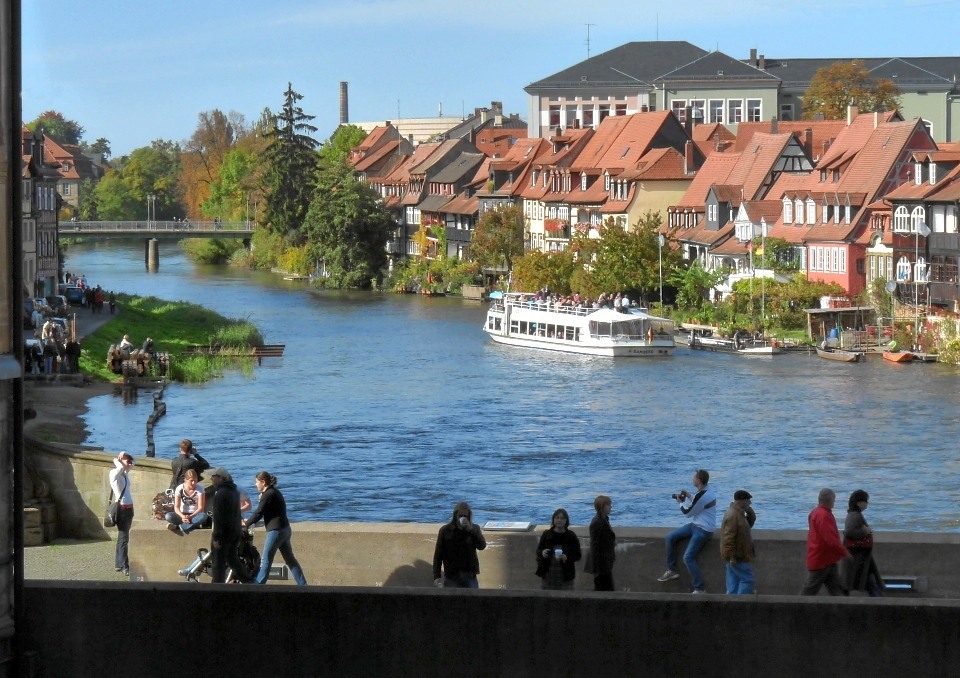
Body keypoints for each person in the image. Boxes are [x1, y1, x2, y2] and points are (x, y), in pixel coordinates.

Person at [243, 471, 308, 585]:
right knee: (290, 560)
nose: (255, 484)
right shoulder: (274, 492)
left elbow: (259, 513)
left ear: (263, 482)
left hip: (276, 531)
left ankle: (257, 586)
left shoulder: (268, 494)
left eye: (257, 482)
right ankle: (303, 586)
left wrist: (246, 524)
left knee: (266, 560)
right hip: (285, 529)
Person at [658, 469, 717, 593]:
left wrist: (680, 503)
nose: (692, 479)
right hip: (696, 524)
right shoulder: (707, 490)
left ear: (699, 480)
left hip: (703, 530)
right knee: (670, 537)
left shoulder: (704, 496)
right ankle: (672, 570)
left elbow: (688, 512)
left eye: (694, 477)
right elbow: (698, 502)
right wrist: (689, 496)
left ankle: (700, 588)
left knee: (688, 557)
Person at [800, 488, 849, 596]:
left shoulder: (815, 513)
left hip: (825, 559)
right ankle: (795, 610)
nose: (834, 502)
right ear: (829, 500)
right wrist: (844, 552)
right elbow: (830, 539)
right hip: (822, 560)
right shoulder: (824, 516)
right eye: (834, 500)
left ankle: (843, 610)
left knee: (836, 589)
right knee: (809, 591)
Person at [208, 467, 253, 583]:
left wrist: (216, 537)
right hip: (235, 532)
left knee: (218, 565)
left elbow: (218, 517)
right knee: (233, 560)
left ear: (220, 478)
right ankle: (249, 582)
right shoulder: (234, 491)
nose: (211, 480)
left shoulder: (221, 493)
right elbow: (237, 512)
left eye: (213, 477)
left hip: (223, 535)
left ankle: (217, 589)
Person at [432, 501, 486, 588]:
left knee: (473, 600)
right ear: (455, 516)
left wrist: (470, 531)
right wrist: (437, 576)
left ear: (469, 517)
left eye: (465, 516)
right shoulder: (446, 530)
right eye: (460, 516)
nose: (463, 518)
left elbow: (482, 546)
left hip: (470, 575)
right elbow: (438, 554)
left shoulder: (474, 529)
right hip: (451, 575)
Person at [841, 489, 884, 597]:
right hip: (859, 556)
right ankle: (880, 605)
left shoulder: (852, 514)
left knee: (868, 581)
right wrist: (865, 531)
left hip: (860, 556)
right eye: (865, 501)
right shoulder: (855, 516)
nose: (867, 504)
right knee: (870, 582)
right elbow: (849, 531)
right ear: (859, 502)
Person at [720, 489, 757, 595]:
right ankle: (739, 604)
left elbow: (750, 523)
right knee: (748, 580)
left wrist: (749, 510)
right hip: (736, 557)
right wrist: (731, 556)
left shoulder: (739, 514)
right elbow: (728, 539)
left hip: (735, 556)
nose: (750, 503)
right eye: (748, 501)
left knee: (733, 586)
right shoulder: (733, 516)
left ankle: (730, 606)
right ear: (741, 501)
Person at [535, 508, 582, 590]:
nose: (559, 520)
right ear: (553, 519)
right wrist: (542, 552)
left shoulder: (571, 536)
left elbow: (578, 555)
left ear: (566, 521)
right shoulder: (546, 534)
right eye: (557, 517)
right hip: (548, 573)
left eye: (562, 518)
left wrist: (567, 558)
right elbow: (538, 551)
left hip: (566, 574)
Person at [109, 452, 135, 576]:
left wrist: (127, 457)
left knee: (122, 537)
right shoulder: (114, 473)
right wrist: (118, 458)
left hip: (129, 509)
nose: (129, 463)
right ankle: (125, 566)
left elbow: (134, 462)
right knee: (124, 538)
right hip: (122, 509)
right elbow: (119, 467)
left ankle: (118, 564)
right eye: (126, 461)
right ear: (120, 461)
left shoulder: (124, 475)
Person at [165, 469, 208, 534]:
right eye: (191, 481)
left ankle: (180, 527)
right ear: (185, 480)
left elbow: (201, 508)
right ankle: (191, 525)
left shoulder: (200, 489)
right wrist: (182, 516)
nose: (193, 483)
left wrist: (191, 516)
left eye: (195, 481)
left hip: (194, 515)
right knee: (168, 516)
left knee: (203, 516)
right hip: (182, 515)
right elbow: (176, 507)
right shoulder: (180, 488)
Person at [588, 495, 616, 591]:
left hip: (605, 562)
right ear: (602, 507)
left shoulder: (604, 519)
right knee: (604, 588)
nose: (610, 507)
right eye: (608, 505)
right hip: (601, 564)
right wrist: (595, 568)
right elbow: (594, 545)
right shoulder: (598, 522)